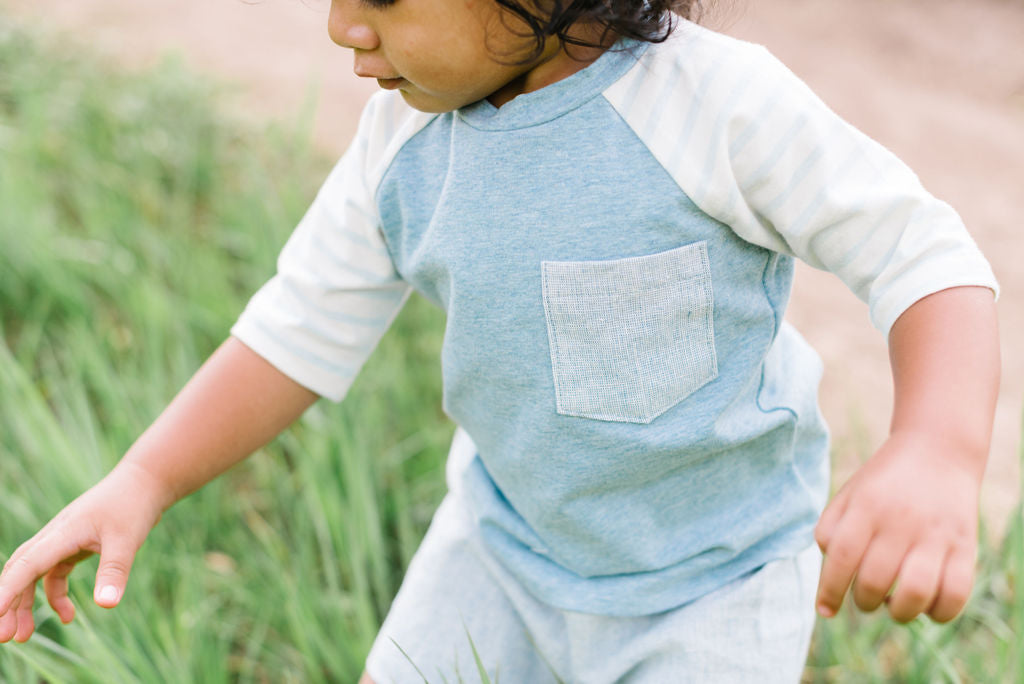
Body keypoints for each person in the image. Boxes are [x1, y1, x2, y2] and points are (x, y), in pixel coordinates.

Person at [0, 0, 1001, 680]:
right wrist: (141, 480)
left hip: (712, 583)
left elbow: (922, 254)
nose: (342, 24)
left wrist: (934, 450)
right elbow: (296, 329)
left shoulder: (712, 106)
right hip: (500, 547)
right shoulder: (400, 142)